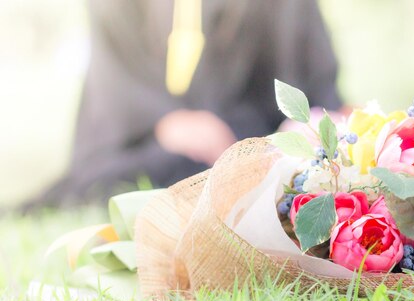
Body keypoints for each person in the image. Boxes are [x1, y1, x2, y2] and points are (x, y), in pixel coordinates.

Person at [31, 0, 341, 207]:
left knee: (256, 167)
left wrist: (311, 117)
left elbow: (304, 61)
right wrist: (164, 120)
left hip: (246, 133)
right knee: (144, 174)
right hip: (147, 139)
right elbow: (114, 65)